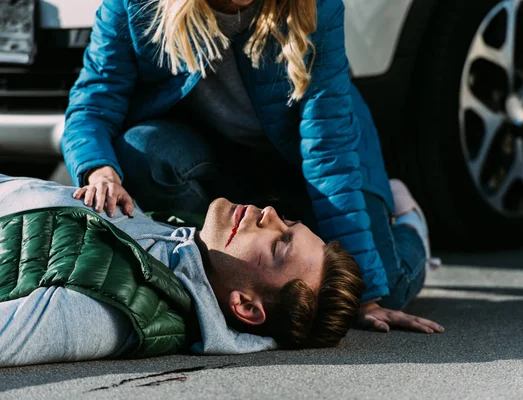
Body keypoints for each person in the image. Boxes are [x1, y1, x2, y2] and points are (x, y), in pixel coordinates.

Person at [61, 0, 443, 331]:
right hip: (211, 157)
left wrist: (368, 299)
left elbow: (329, 152)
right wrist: (99, 168)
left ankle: (409, 221)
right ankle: (216, 275)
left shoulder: (316, 7)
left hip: (305, 162)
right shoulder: (138, 5)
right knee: (141, 152)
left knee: (369, 288)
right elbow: (94, 100)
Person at [0, 174, 368, 367]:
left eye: (278, 244)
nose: (269, 214)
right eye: (286, 220)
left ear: (245, 306)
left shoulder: (118, 311)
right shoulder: (191, 249)